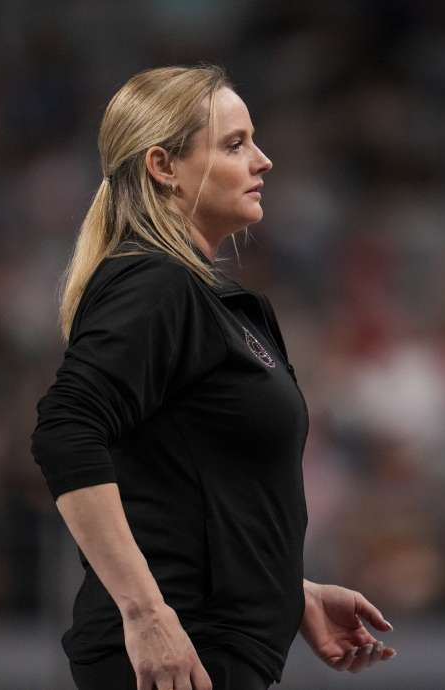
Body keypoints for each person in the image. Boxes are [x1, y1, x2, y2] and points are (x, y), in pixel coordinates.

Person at [31, 65, 395, 690]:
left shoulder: (209, 301)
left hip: (212, 650)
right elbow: (66, 428)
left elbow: (192, 482)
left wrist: (288, 590)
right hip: (178, 656)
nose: (264, 160)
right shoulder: (156, 283)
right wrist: (146, 613)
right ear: (162, 167)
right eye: (234, 143)